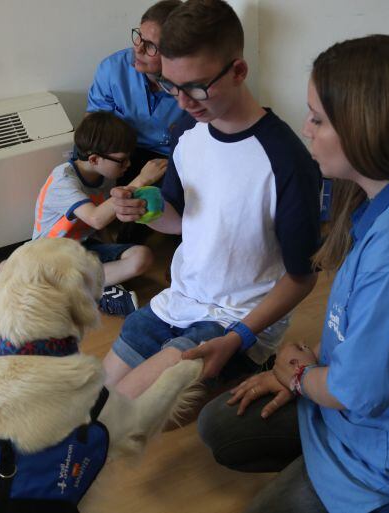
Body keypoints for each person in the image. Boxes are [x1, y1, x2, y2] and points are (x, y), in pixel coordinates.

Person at [197, 34, 389, 513]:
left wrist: (298, 375)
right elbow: (375, 340)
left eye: (318, 119)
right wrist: (308, 367)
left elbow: (354, 391)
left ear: (368, 127)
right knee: (221, 424)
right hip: (361, 415)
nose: (306, 128)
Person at [102, 0, 322, 398]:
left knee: (122, 412)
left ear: (239, 70)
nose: (183, 101)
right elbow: (178, 220)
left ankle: (246, 367)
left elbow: (302, 277)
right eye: (171, 85)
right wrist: (144, 208)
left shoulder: (287, 161)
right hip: (180, 301)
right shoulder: (187, 131)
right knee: (98, 397)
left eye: (196, 87)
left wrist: (240, 336)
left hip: (238, 320)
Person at [32, 111, 166, 316]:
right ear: (94, 159)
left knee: (142, 256)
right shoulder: (63, 181)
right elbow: (96, 218)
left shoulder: (105, 175)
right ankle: (89, 290)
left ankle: (88, 289)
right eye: (122, 160)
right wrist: (141, 180)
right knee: (15, 269)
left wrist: (114, 251)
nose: (128, 165)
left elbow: (101, 224)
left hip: (85, 249)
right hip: (52, 255)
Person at [87, 0, 188, 244]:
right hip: (124, 151)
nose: (139, 49)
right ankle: (125, 246)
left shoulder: (189, 82)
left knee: (164, 198)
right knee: (129, 199)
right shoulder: (113, 69)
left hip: (170, 157)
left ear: (175, 53)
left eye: (151, 46)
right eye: (139, 37)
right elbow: (95, 127)